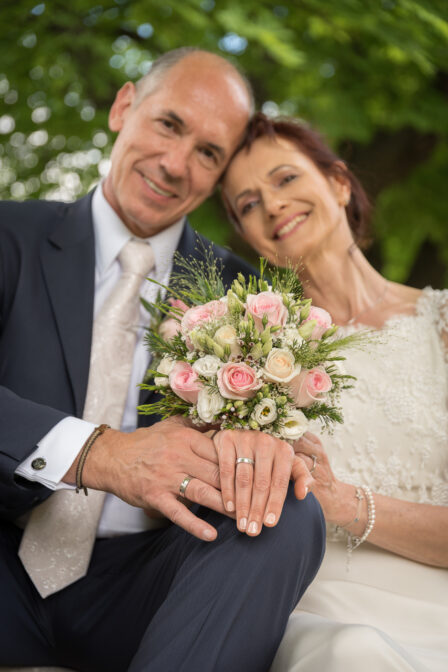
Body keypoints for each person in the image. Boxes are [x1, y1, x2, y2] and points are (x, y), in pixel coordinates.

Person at [0, 53, 325, 672]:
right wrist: (102, 453)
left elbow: (256, 449)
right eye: (169, 125)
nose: (176, 165)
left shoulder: (250, 299)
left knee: (286, 509)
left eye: (208, 153)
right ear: (124, 107)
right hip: (6, 556)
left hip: (152, 589)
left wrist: (268, 451)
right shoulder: (9, 235)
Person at [222, 112, 448, 672]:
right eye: (249, 204)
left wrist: (346, 503)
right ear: (250, 238)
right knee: (349, 654)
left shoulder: (439, 324)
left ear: (339, 183)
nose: (272, 205)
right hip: (324, 606)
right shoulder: (247, 362)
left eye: (285, 179)